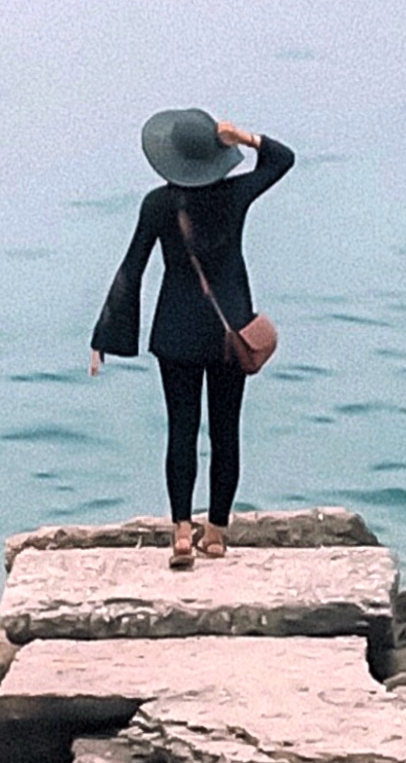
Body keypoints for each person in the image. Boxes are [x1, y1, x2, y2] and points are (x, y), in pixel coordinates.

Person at [89, 108, 293, 568]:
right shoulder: (237, 194)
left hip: (177, 333)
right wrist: (243, 135)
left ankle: (182, 532)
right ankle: (217, 533)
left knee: (181, 430)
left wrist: (105, 335)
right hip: (229, 333)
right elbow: (283, 159)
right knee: (226, 431)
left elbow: (133, 268)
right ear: (217, 156)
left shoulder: (158, 204)